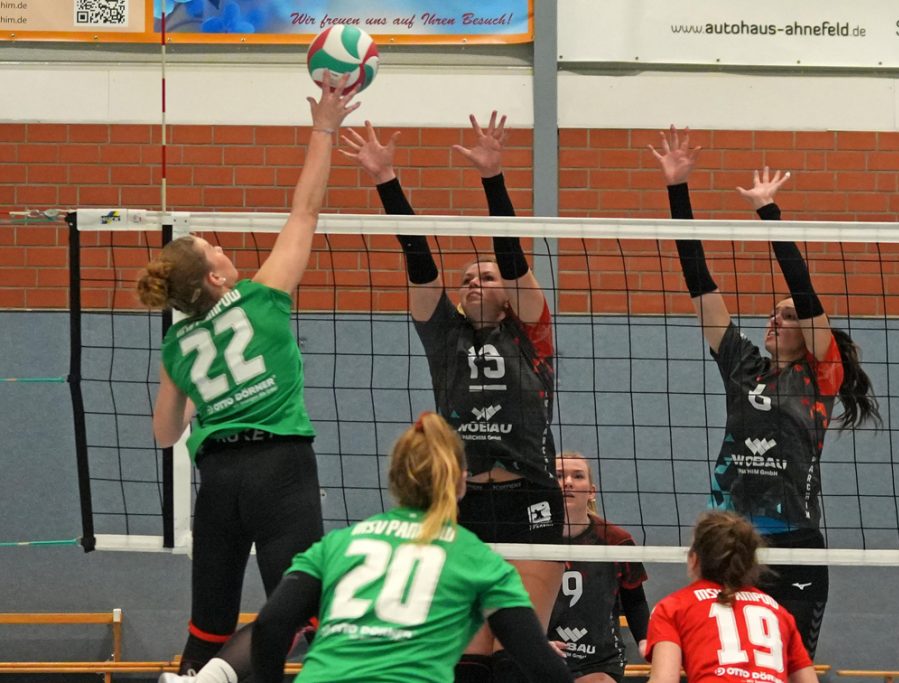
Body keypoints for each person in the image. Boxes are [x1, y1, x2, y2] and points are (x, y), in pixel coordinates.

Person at [137, 78, 361, 676]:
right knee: (302, 616)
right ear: (215, 278)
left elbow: (165, 434)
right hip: (279, 470)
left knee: (208, 627)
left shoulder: (177, 345)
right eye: (214, 248)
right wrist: (324, 129)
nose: (222, 248)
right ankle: (215, 677)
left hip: (218, 482)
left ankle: (196, 676)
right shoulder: (262, 299)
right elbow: (305, 210)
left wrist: (207, 397)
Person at [341, 111, 564, 682]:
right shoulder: (445, 335)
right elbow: (420, 265)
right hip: (458, 502)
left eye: (486, 277)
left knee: (519, 651)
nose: (474, 283)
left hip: (529, 498)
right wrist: (386, 181)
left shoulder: (532, 333)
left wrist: (493, 177)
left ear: (509, 294)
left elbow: (513, 260)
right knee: (466, 657)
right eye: (467, 280)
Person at [649, 126, 881, 658]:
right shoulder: (741, 365)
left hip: (795, 539)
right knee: (721, 660)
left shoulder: (822, 375)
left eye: (788, 316)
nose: (775, 320)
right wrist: (677, 189)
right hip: (728, 536)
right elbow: (700, 285)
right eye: (773, 314)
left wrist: (768, 214)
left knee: (784, 662)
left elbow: (805, 291)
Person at [248, 412, 574, 683]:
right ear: (461, 481)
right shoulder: (475, 559)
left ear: (394, 478)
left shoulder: (337, 545)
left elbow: (269, 625)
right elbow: (540, 664)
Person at [644, 511, 817, 683]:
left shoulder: (673, 607)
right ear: (750, 563)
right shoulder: (777, 612)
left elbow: (664, 680)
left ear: (693, 559)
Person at [547, 453, 649, 683]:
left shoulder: (616, 540)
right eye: (559, 476)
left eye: (578, 476)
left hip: (599, 660)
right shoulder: (529, 540)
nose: (568, 482)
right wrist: (533, 643)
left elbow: (635, 601)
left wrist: (645, 640)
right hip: (542, 652)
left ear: (591, 491)